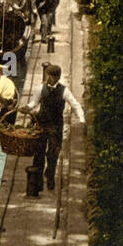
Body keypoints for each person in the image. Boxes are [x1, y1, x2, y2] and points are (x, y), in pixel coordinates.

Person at [26, 63, 85, 193]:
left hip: (56, 126)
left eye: (54, 77)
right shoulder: (40, 88)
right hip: (41, 124)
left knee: (53, 154)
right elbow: (34, 102)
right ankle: (37, 181)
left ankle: (50, 176)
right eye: (50, 76)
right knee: (39, 153)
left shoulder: (64, 91)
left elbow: (75, 105)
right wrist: (28, 107)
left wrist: (82, 119)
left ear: (58, 77)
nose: (51, 79)